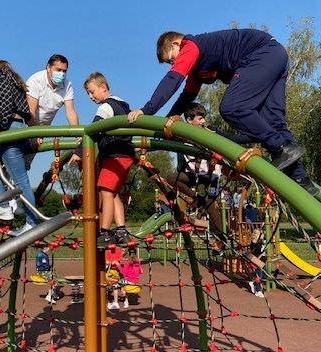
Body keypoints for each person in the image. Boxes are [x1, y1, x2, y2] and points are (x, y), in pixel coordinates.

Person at [127, 29, 318, 196]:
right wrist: (170, 117)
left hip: (261, 54)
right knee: (273, 120)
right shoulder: (197, 70)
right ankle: (302, 180)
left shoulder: (190, 45)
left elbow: (172, 80)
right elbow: (187, 95)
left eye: (171, 59)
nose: (173, 64)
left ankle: (280, 146)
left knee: (232, 107)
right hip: (276, 56)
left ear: (177, 44)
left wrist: (146, 110)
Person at [68, 72, 135, 248]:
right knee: (112, 194)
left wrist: (78, 152)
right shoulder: (123, 105)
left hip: (115, 155)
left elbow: (93, 130)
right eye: (88, 94)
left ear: (103, 88)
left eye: (92, 92)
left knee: (105, 192)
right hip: (126, 154)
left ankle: (104, 233)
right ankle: (121, 230)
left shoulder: (106, 107)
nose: (90, 97)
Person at [0, 57, 38, 236]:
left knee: (21, 181)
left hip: (7, 128)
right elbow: (26, 110)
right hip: (19, 127)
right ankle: (6, 204)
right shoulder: (13, 77)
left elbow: (2, 103)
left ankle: (30, 222)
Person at [166, 103, 226, 255]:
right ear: (189, 120)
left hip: (211, 174)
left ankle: (220, 238)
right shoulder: (182, 134)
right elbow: (167, 130)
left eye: (203, 118)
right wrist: (175, 119)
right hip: (193, 174)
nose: (203, 122)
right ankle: (196, 198)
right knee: (172, 178)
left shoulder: (210, 132)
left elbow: (228, 139)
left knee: (210, 204)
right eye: (199, 119)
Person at [24, 54, 79, 169]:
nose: (62, 74)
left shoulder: (66, 85)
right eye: (58, 70)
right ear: (48, 68)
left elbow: (70, 112)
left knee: (25, 163)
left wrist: (78, 136)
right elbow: (31, 111)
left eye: (64, 71)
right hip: (26, 126)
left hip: (43, 129)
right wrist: (34, 133)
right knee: (11, 161)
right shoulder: (36, 80)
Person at [105, 245, 124, 310]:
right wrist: (111, 262)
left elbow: (118, 261)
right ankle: (110, 300)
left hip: (116, 271)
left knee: (116, 285)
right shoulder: (107, 251)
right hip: (109, 271)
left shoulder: (119, 250)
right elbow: (106, 261)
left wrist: (114, 262)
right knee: (109, 285)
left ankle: (117, 302)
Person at [248, 228, 266, 298]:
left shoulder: (259, 242)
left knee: (264, 275)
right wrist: (261, 242)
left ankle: (254, 284)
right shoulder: (255, 243)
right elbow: (258, 250)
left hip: (260, 260)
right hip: (256, 260)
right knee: (259, 275)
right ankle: (258, 290)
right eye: (261, 235)